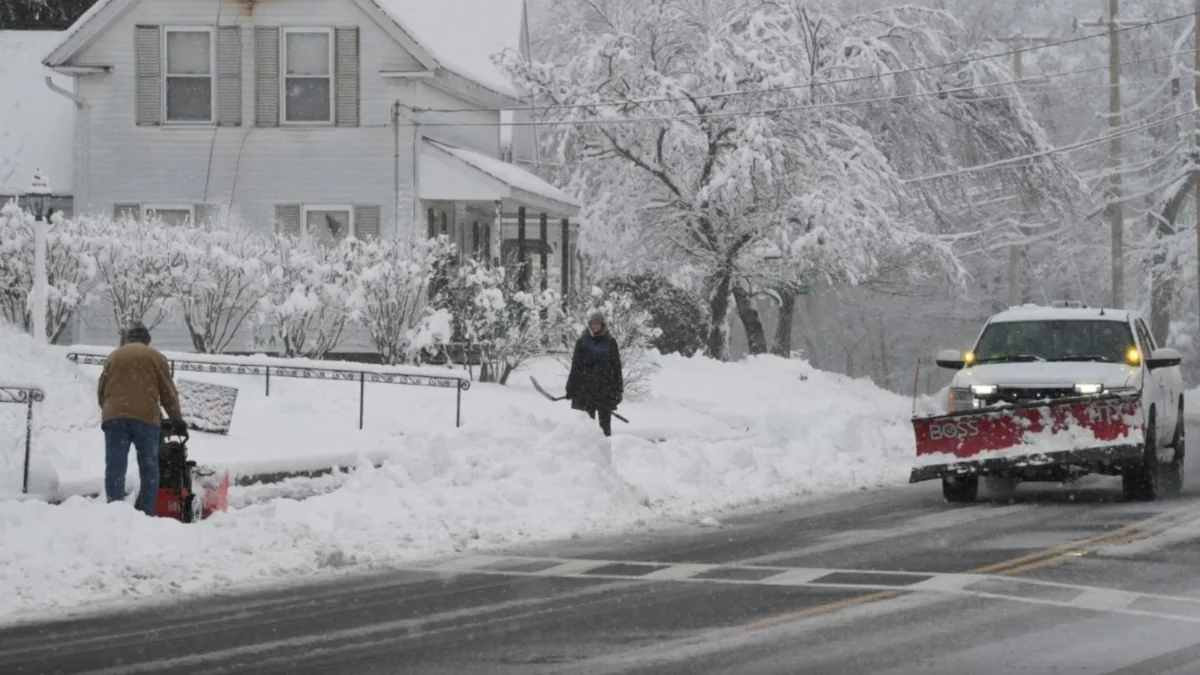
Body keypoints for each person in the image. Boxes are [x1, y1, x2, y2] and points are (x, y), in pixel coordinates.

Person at [97, 322, 186, 515]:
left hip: (114, 418)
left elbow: (102, 391)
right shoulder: (155, 357)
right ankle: (147, 512)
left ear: (128, 339)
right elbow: (168, 394)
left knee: (115, 466)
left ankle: (114, 512)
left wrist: (113, 411)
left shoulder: (114, 356)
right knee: (149, 467)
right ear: (147, 341)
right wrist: (177, 422)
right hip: (145, 419)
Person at [566, 312, 623, 437]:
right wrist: (571, 387)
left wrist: (619, 390)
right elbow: (576, 366)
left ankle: (605, 451)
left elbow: (616, 367)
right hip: (586, 389)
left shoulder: (610, 342)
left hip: (605, 390)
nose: (595, 327)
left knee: (605, 428)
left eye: (597, 324)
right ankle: (587, 452)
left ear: (603, 325)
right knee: (587, 427)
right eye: (593, 324)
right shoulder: (582, 341)